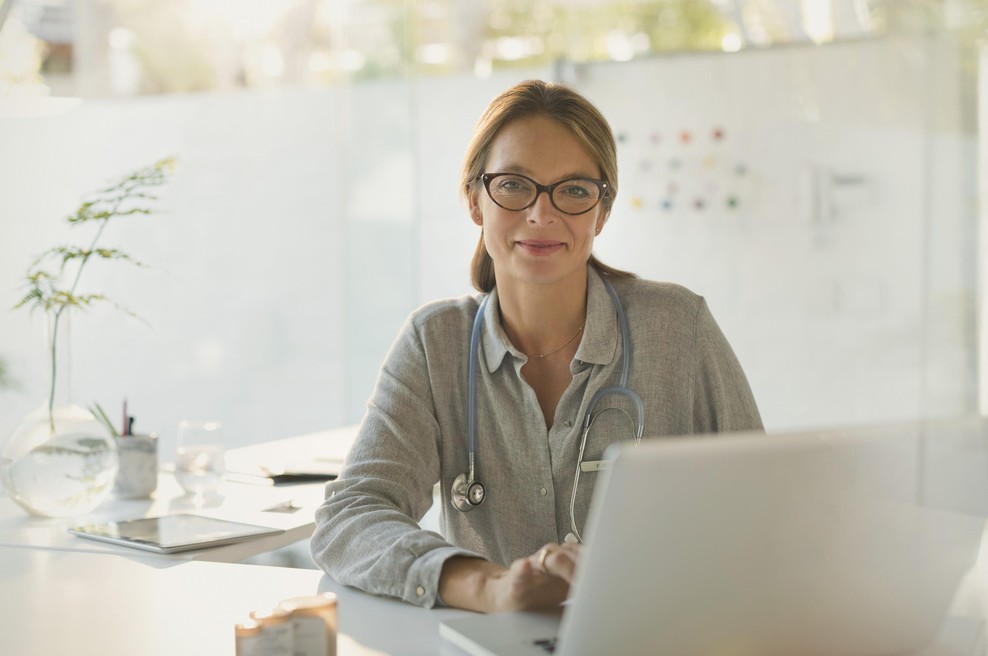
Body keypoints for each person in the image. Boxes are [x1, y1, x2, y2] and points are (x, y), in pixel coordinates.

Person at [310, 79, 762, 613]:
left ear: (603, 211)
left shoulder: (678, 327)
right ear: (475, 200)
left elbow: (762, 505)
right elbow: (350, 517)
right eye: (515, 185)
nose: (542, 215)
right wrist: (486, 585)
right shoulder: (436, 345)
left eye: (573, 189)